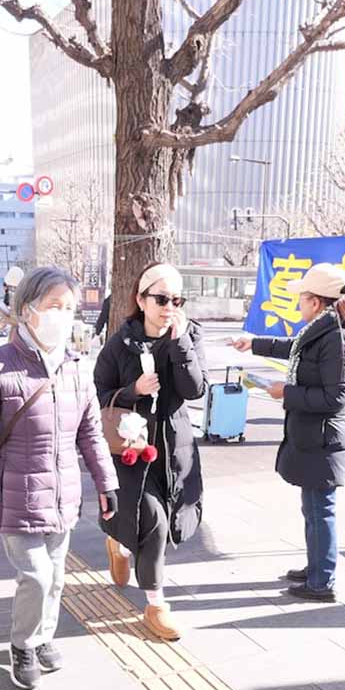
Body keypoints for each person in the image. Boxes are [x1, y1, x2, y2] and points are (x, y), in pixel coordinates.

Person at [0, 266, 120, 690]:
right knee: (37, 576)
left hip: (63, 497)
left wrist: (107, 482)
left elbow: (91, 433)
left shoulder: (77, 367)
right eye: (53, 307)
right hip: (14, 498)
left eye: (69, 308)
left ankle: (44, 636)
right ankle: (23, 645)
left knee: (58, 576)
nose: (63, 316)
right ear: (26, 310)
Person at [232, 263, 345, 603]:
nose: (298, 304)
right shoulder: (323, 330)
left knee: (320, 509)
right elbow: (294, 348)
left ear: (316, 301)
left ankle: (322, 581)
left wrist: (286, 392)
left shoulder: (335, 337)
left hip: (325, 441)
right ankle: (316, 567)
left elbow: (335, 396)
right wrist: (253, 344)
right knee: (312, 507)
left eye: (302, 297)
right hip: (318, 439)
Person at [93, 262, 207, 641]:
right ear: (140, 300)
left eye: (177, 299)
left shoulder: (188, 336)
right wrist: (132, 392)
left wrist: (180, 345)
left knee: (163, 518)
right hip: (131, 448)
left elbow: (194, 389)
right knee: (154, 521)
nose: (168, 306)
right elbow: (100, 395)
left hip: (174, 449)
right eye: (160, 298)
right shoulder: (118, 344)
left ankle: (120, 545)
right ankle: (156, 604)